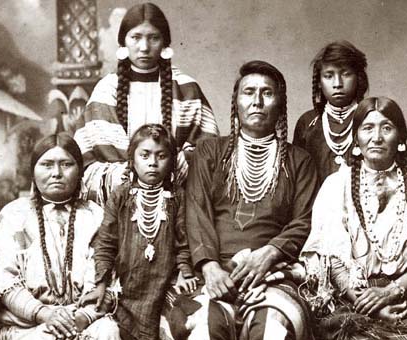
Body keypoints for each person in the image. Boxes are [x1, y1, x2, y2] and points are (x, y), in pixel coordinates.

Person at [300, 97, 407, 340]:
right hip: (354, 299)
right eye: (368, 128)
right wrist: (368, 302)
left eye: (386, 128)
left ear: (400, 138)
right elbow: (331, 257)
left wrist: (392, 290)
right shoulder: (337, 185)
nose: (376, 137)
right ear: (356, 138)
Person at [181, 60, 319, 340]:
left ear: (280, 105)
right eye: (248, 92)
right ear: (236, 103)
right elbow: (196, 211)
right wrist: (210, 267)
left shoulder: (298, 161)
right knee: (207, 325)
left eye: (267, 93)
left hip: (273, 274)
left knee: (270, 327)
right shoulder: (209, 152)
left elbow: (304, 220)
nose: (257, 101)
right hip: (217, 273)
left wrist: (267, 255)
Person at [0, 133, 119, 340]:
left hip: (82, 319)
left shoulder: (96, 216)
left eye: (66, 164)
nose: (57, 173)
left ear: (79, 171)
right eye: (47, 164)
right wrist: (44, 313)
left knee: (107, 331)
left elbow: (107, 279)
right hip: (27, 324)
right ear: (33, 172)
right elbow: (3, 281)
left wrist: (83, 317)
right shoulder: (14, 215)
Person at [72, 2, 219, 205]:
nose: (144, 47)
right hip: (117, 201)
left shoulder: (186, 88)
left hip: (179, 200)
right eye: (136, 37)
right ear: (123, 42)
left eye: (153, 38)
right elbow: (85, 158)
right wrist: (130, 174)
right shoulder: (106, 91)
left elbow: (208, 148)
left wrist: (176, 165)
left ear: (165, 43)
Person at [82, 124, 196, 340]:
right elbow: (106, 242)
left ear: (171, 161)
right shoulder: (120, 196)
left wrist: (184, 272)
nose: (153, 163)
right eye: (145, 155)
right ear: (132, 160)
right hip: (128, 285)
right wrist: (101, 283)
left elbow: (184, 239)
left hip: (164, 283)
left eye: (161, 156)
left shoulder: (178, 197)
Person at [293, 41, 368, 184]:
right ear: (319, 82)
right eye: (329, 76)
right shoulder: (308, 123)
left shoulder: (370, 119)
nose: (338, 83)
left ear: (358, 78)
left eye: (346, 74)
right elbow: (298, 179)